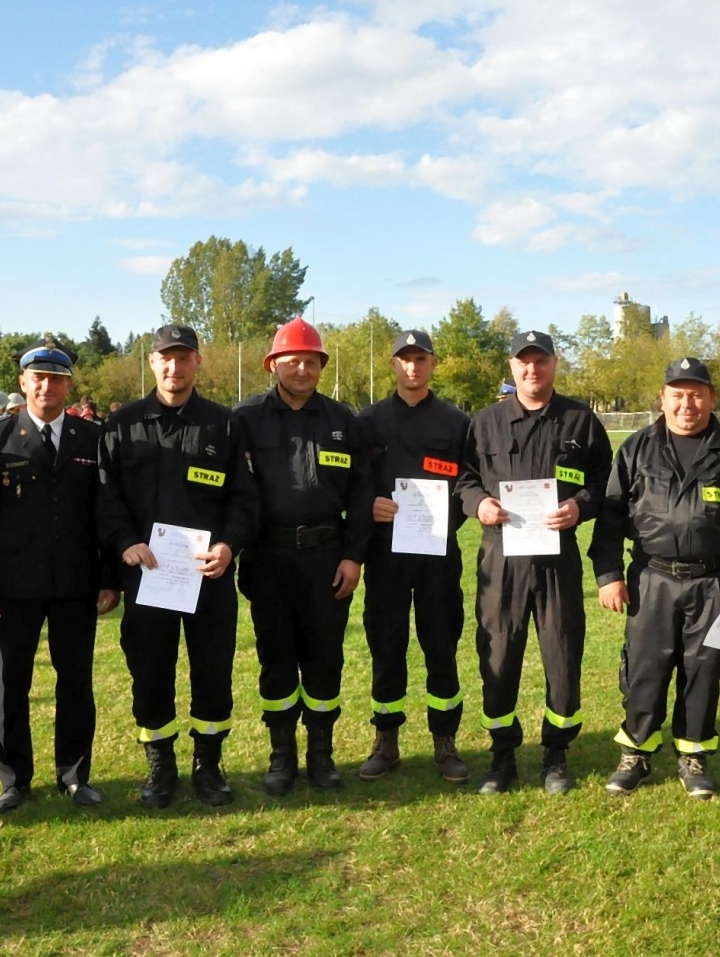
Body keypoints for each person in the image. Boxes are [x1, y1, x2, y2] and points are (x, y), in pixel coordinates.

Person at [98, 324, 259, 808]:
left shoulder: (224, 425)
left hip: (208, 578)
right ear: (152, 363)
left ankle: (208, 766)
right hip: (148, 580)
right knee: (150, 673)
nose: (175, 367)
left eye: (184, 357)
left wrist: (230, 545)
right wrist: (125, 542)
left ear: (198, 362)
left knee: (212, 672)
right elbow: (106, 498)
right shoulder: (122, 425)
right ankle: (160, 765)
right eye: (166, 358)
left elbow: (244, 500)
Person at [589, 357, 720, 799]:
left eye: (697, 394)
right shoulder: (636, 448)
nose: (687, 404)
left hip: (716, 580)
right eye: (677, 395)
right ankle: (636, 753)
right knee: (646, 667)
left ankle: (694, 756)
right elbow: (609, 514)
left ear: (712, 397)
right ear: (662, 399)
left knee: (704, 670)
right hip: (651, 578)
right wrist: (608, 575)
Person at [0, 337, 120, 812]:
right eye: (39, 378)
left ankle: (74, 775)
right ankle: (15, 779)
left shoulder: (91, 439)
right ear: (23, 383)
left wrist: (110, 577)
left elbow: (106, 513)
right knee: (11, 683)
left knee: (75, 680)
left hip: (76, 583)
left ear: (69, 385)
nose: (47, 386)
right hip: (13, 588)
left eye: (57, 378)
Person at [457, 330, 613, 795]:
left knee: (562, 652)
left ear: (553, 365)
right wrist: (477, 504)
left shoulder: (580, 421)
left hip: (556, 559)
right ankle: (502, 754)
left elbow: (607, 480)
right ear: (512, 367)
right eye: (523, 362)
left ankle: (556, 752)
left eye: (540, 361)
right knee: (499, 654)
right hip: (500, 560)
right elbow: (464, 478)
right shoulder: (484, 422)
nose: (532, 370)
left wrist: (581, 505)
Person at [235, 318, 372, 794]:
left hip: (326, 558)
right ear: (273, 365)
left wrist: (353, 556)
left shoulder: (342, 421)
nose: (301, 369)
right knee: (275, 660)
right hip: (268, 558)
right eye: (291, 360)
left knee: (324, 659)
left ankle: (321, 754)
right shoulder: (244, 418)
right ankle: (281, 755)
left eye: (310, 361)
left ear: (321, 368)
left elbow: (361, 496)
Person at [354, 329, 472, 782]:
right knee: (386, 647)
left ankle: (446, 743)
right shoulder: (368, 422)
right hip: (386, 557)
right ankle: (386, 741)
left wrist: (449, 519)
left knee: (441, 646)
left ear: (433, 364)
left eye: (420, 359)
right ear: (393, 365)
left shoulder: (456, 422)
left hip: (437, 558)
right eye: (404, 359)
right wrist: (369, 505)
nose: (412, 367)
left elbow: (467, 485)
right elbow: (356, 484)